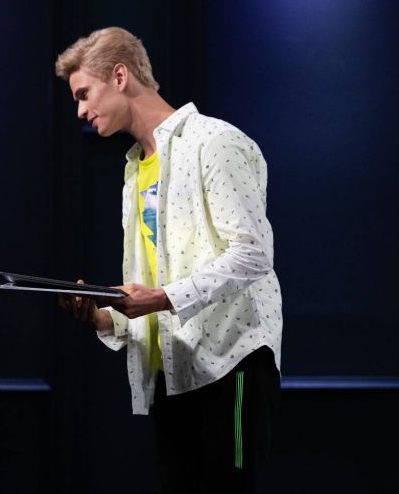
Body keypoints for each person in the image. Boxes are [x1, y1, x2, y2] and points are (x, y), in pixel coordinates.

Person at [56, 27, 283, 492]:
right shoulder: (136, 168)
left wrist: (160, 298)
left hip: (230, 362)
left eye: (83, 94)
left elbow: (253, 253)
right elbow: (156, 281)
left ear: (119, 76)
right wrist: (102, 316)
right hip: (172, 372)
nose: (79, 110)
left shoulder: (214, 141)